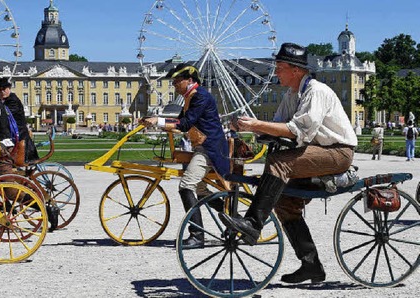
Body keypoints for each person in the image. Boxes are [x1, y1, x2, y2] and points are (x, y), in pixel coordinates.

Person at [218, 42, 358, 284]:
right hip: (316, 151)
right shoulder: (292, 95)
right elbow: (276, 129)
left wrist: (255, 124)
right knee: (284, 202)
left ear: (295, 69)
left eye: (280, 67)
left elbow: (296, 131)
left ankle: (253, 223)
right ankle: (311, 265)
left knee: (278, 162)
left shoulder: (317, 92)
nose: (276, 72)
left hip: (337, 152)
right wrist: (243, 127)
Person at [142, 63, 230, 249]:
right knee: (201, 191)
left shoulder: (200, 96)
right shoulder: (191, 96)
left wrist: (157, 121)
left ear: (189, 80)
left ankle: (197, 235)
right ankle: (233, 220)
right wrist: (157, 121)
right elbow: (181, 120)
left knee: (186, 186)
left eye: (177, 81)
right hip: (203, 146)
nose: (174, 84)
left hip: (209, 148)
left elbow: (184, 124)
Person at [0, 77, 39, 163]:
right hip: (13, 133)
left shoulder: (12, 100)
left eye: (4, 89)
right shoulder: (3, 101)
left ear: (9, 88)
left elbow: (4, 115)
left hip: (18, 134)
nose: (2, 92)